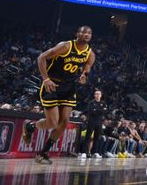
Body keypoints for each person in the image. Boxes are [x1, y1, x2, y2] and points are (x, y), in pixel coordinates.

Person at [22, 26, 95, 164]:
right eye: (83, 32)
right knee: (52, 122)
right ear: (77, 33)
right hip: (52, 85)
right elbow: (41, 57)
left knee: (64, 122)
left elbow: (87, 68)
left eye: (89, 33)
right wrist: (46, 79)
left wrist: (84, 75)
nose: (86, 34)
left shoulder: (90, 54)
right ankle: (30, 126)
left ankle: (43, 153)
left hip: (69, 88)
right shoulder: (65, 46)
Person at [81, 89, 106, 159]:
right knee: (88, 137)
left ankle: (94, 152)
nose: (98, 95)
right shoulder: (91, 103)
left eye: (99, 94)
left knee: (97, 137)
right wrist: (99, 110)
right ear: (94, 95)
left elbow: (104, 111)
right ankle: (84, 152)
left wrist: (96, 110)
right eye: (96, 94)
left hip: (99, 122)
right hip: (91, 121)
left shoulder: (103, 103)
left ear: (101, 95)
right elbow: (91, 111)